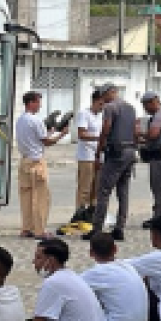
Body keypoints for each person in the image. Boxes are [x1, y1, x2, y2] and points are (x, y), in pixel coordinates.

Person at [26, 238, 107, 321]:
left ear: (50, 261)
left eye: (38, 257)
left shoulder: (52, 283)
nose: (34, 262)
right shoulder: (71, 276)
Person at [81, 232, 150, 321]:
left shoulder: (98, 272)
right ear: (115, 249)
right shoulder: (128, 266)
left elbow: (70, 287)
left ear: (91, 253)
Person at [15, 91, 67, 238]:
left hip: (24, 160)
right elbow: (46, 142)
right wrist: (61, 134)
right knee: (40, 197)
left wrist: (51, 131)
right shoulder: (36, 120)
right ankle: (40, 230)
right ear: (31, 103)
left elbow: (38, 138)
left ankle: (26, 228)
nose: (40, 105)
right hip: (36, 162)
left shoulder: (20, 120)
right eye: (38, 102)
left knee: (26, 197)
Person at [92, 83, 140, 241]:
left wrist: (98, 153)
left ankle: (96, 229)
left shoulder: (110, 107)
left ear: (110, 92)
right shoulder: (131, 108)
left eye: (103, 95)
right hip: (130, 151)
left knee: (104, 191)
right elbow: (136, 131)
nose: (102, 99)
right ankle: (120, 228)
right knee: (123, 192)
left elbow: (106, 129)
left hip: (116, 153)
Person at [138, 92, 161, 229]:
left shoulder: (159, 116)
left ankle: (160, 219)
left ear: (153, 102)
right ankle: (158, 216)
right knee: (160, 190)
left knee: (159, 190)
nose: (145, 109)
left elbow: (153, 134)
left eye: (145, 105)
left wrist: (139, 133)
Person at [70, 87, 106, 226]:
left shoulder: (102, 116)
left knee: (96, 187)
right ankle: (80, 211)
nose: (102, 107)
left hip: (99, 155)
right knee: (85, 186)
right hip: (86, 155)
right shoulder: (84, 114)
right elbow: (82, 134)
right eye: (100, 104)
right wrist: (99, 138)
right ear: (94, 101)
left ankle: (92, 211)